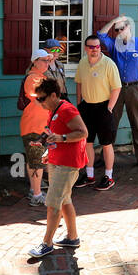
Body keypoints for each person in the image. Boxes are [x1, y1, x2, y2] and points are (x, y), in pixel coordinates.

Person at [28, 77, 88, 258]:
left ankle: (47, 243)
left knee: (53, 203)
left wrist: (61, 139)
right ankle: (72, 237)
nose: (39, 102)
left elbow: (82, 132)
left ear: (54, 95)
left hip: (67, 164)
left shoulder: (67, 110)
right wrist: (49, 152)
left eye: (42, 98)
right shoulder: (54, 109)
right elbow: (56, 135)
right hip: (58, 161)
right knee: (64, 201)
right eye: (37, 99)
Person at [97, 15, 138, 169]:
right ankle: (106, 156)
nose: (119, 31)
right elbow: (100, 35)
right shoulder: (113, 45)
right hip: (116, 88)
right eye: (117, 30)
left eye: (122, 28)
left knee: (137, 122)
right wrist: (113, 21)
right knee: (111, 121)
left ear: (129, 27)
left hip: (135, 88)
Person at [75, 33, 121, 190]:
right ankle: (89, 175)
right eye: (91, 47)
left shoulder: (108, 64)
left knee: (106, 143)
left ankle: (109, 176)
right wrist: (79, 103)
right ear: (86, 48)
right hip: (87, 107)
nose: (94, 50)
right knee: (87, 142)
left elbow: (117, 87)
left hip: (104, 107)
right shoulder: (82, 62)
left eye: (97, 46)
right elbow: (79, 83)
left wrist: (109, 108)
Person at [19, 49, 53, 206]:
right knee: (36, 161)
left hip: (41, 127)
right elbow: (41, 97)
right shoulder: (33, 78)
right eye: (44, 60)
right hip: (33, 127)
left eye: (48, 60)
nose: (47, 63)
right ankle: (37, 195)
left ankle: (35, 190)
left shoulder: (41, 77)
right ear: (35, 61)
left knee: (35, 160)